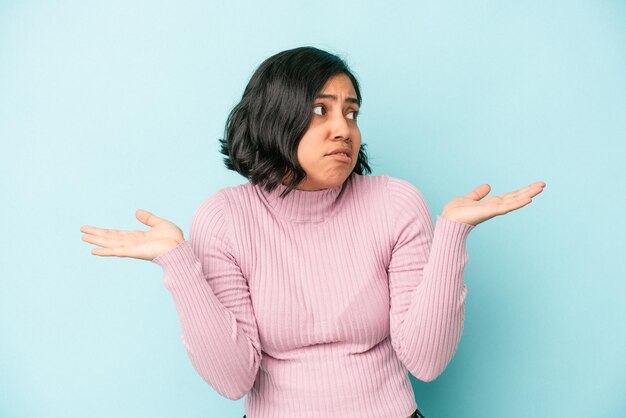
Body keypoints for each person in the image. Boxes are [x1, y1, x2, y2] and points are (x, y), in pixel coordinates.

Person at [80, 46, 545, 418]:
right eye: (320, 110)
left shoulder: (395, 202)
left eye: (351, 112)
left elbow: (426, 361)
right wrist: (179, 266)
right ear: (275, 118)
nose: (343, 128)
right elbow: (231, 380)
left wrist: (452, 236)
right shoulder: (224, 217)